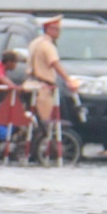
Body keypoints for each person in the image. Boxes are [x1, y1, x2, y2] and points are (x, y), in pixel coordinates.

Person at [24, 15, 79, 160]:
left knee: (33, 120)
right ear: (50, 29)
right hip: (43, 86)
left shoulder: (35, 43)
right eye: (57, 29)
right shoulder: (48, 46)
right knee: (47, 122)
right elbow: (55, 64)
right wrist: (68, 80)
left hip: (30, 84)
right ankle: (44, 150)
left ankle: (30, 144)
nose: (59, 33)